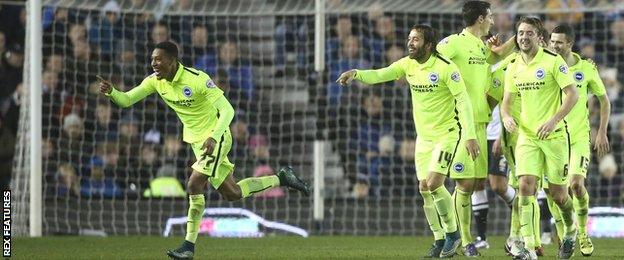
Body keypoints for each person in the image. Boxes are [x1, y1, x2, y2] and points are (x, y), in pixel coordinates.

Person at [97, 41, 310, 260]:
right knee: (232, 193)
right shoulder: (155, 82)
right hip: (198, 144)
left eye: (159, 59)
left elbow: (228, 110)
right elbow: (128, 100)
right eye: (152, 59)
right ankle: (282, 178)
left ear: (172, 61)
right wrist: (112, 92)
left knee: (193, 183)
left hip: (217, 137)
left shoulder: (197, 79)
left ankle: (188, 246)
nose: (154, 63)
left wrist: (214, 136)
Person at [336, 24, 480, 258]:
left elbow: (463, 101)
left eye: (416, 39)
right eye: (410, 38)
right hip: (424, 138)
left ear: (428, 45)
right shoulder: (407, 64)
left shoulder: (446, 68)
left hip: (447, 134)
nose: (410, 43)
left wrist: (470, 136)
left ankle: (453, 235)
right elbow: (382, 74)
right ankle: (439, 238)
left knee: (434, 183)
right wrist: (357, 73)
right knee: (424, 187)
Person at [435, 1, 514, 255]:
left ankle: (463, 237)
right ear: (481, 19)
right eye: (489, 17)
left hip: (480, 123)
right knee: (465, 184)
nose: (492, 20)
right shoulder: (452, 43)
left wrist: (521, 34)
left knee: (477, 183)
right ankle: (465, 240)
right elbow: (431, 64)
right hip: (459, 124)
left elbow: (497, 56)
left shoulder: (481, 47)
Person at [501, 16, 579, 260]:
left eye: (529, 33)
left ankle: (570, 231)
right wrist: (505, 117)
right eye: (521, 33)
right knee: (525, 186)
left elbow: (572, 95)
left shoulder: (553, 62)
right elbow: (506, 102)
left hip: (554, 136)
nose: (524, 37)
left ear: (539, 37)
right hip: (527, 136)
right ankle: (527, 245)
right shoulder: (513, 65)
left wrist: (553, 120)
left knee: (559, 195)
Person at [548, 23, 611, 257]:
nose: (554, 45)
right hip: (551, 138)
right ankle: (566, 234)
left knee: (575, 185)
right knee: (555, 192)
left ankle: (582, 232)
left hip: (578, 137)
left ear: (570, 44)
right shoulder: (543, 65)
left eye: (559, 42)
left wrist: (602, 131)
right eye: (552, 41)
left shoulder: (585, 68)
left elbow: (604, 101)